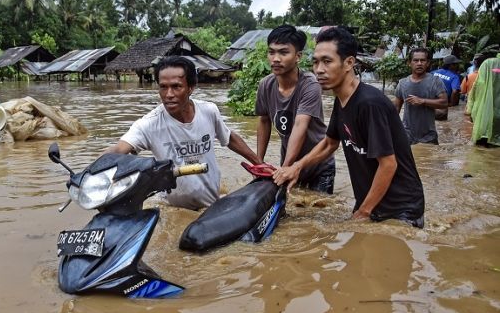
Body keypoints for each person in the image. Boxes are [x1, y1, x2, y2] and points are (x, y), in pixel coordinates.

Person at [273, 27, 425, 228]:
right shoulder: (342, 100)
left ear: (349, 63)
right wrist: (296, 168)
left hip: (400, 210)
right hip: (372, 205)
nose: (319, 70)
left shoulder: (369, 103)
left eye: (327, 61)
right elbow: (329, 144)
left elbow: (389, 164)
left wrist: (363, 212)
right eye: (315, 62)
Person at [106, 55, 262, 210]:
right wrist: (96, 170)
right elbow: (119, 150)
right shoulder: (149, 124)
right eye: (163, 87)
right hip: (174, 208)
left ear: (191, 88)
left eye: (176, 86)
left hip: (211, 205)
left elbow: (229, 138)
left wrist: (259, 164)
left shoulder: (209, 111)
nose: (168, 94)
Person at [255, 25, 336, 193]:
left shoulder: (310, 85)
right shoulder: (266, 85)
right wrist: (259, 162)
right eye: (271, 52)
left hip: (318, 166)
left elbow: (300, 126)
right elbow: (264, 121)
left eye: (283, 53)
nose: (275, 59)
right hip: (290, 162)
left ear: (298, 56)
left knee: (318, 213)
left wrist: (284, 169)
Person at [393, 47, 447, 144]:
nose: (419, 63)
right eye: (416, 60)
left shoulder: (435, 81)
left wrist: (422, 101)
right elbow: (396, 109)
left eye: (422, 60)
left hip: (429, 136)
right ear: (409, 63)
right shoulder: (402, 83)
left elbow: (444, 103)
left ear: (428, 63)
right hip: (407, 135)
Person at [465, 55, 500, 147]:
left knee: (480, 151)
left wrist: (471, 109)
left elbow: (477, 87)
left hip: (484, 116)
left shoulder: (488, 63)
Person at [432, 54, 462, 120]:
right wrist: (452, 104)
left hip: (430, 100)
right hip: (443, 102)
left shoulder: (434, 72)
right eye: (456, 64)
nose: (458, 66)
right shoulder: (454, 77)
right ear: (451, 65)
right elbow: (455, 91)